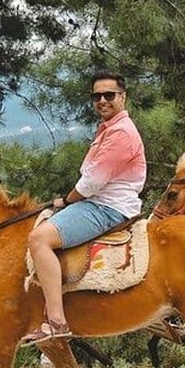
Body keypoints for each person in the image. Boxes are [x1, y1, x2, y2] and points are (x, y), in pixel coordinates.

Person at [21, 70, 147, 345]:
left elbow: (93, 181)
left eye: (109, 95)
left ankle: (56, 321)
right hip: (103, 201)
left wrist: (67, 201)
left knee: (39, 239)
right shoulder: (109, 128)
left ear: (123, 97)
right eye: (96, 96)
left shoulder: (121, 133)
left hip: (106, 206)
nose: (102, 100)